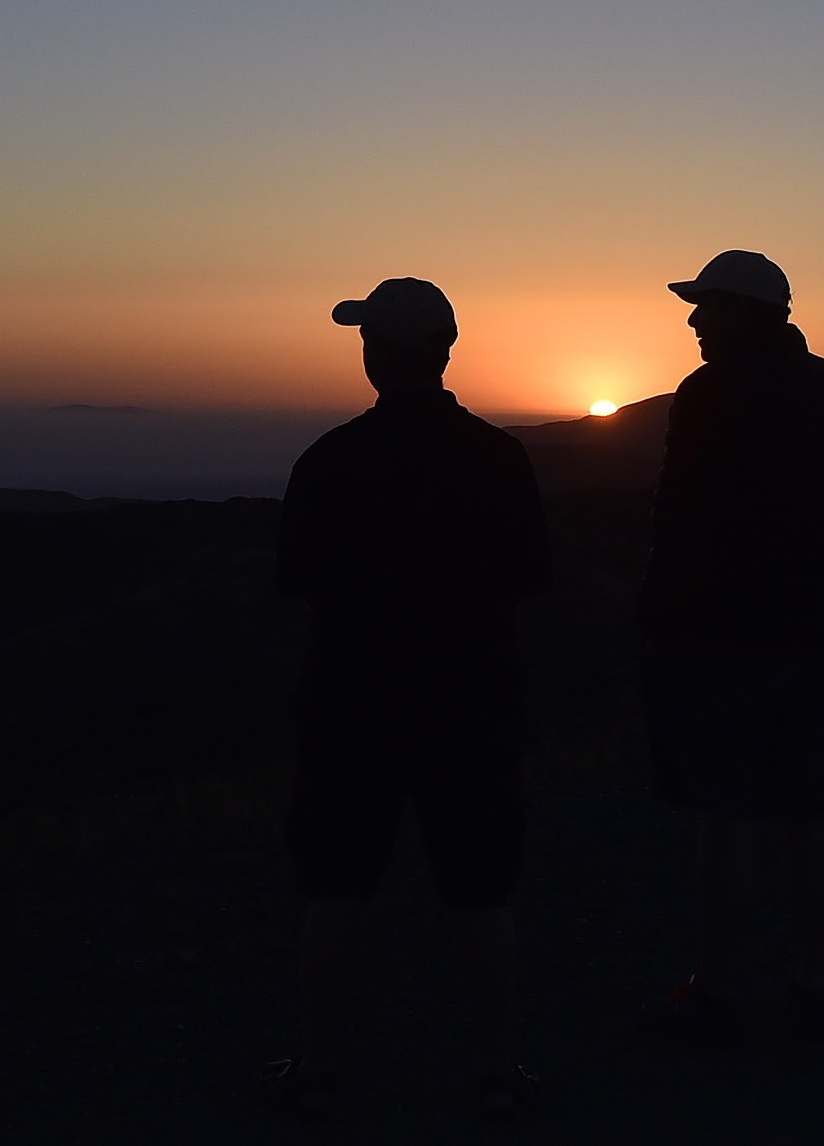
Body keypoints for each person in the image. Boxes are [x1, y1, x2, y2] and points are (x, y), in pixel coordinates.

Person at [266, 277, 551, 1124]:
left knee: (337, 885)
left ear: (378, 353)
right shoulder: (499, 456)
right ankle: (498, 1070)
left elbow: (294, 578)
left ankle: (319, 1068)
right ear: (445, 349)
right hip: (471, 703)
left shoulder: (329, 459)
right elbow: (532, 575)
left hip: (353, 703)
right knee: (481, 891)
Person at [635, 249, 824, 1047]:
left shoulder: (708, 395)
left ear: (745, 311)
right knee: (808, 811)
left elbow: (679, 524)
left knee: (726, 814)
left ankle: (716, 990)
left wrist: (663, 623)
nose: (693, 319)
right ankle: (813, 983)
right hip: (813, 637)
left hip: (722, 639)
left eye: (706, 305)